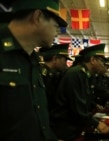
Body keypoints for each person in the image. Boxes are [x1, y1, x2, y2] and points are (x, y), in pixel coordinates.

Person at [0, 0, 67, 141]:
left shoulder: (34, 60)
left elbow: (37, 120)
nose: (57, 32)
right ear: (37, 17)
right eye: (55, 25)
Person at [50, 44, 109, 140]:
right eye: (101, 61)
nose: (103, 64)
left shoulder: (85, 75)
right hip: (65, 128)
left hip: (75, 125)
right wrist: (96, 123)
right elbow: (77, 106)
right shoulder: (75, 74)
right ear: (93, 60)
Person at [39, 43, 72, 114]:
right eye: (64, 60)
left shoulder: (54, 74)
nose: (66, 64)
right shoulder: (44, 75)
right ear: (55, 59)